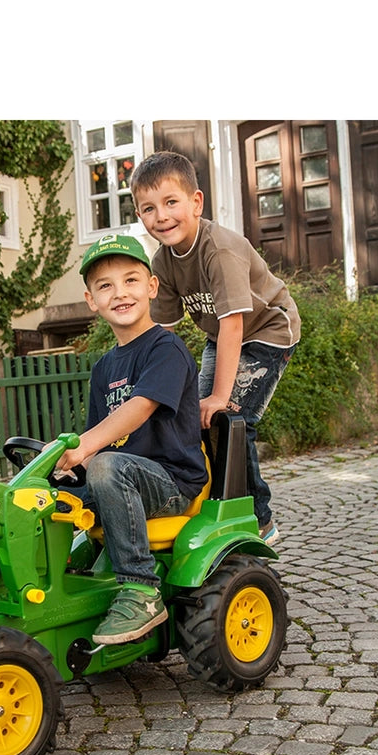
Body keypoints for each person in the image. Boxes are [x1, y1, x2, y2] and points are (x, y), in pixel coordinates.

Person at [130, 150, 300, 546]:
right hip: (220, 335)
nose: (162, 216)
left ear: (196, 202)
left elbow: (234, 323)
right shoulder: (164, 263)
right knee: (198, 419)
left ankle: (259, 518)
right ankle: (212, 500)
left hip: (268, 330)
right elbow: (162, 333)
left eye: (171, 202)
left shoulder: (218, 250)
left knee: (230, 420)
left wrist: (220, 396)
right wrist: (148, 388)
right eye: (148, 209)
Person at [56, 234, 207, 645]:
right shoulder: (104, 367)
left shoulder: (167, 349)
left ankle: (141, 590)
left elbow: (138, 409)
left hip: (171, 483)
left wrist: (87, 447)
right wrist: (66, 468)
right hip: (119, 478)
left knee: (104, 465)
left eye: (130, 281)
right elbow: (99, 441)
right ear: (91, 299)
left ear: (152, 287)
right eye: (105, 285)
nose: (119, 293)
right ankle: (52, 589)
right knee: (40, 496)